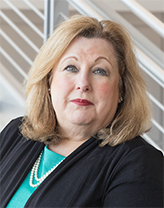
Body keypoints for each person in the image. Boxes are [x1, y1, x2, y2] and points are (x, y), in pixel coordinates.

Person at [0, 15, 163, 208]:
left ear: (121, 90)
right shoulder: (17, 132)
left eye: (99, 71)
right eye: (71, 68)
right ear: (49, 81)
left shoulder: (140, 163)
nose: (83, 84)